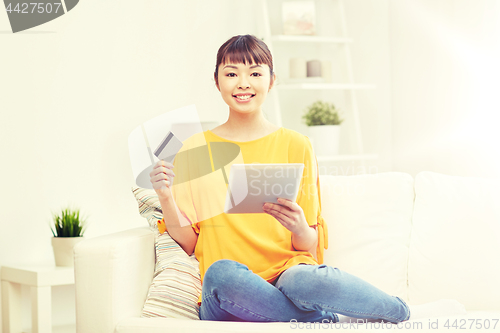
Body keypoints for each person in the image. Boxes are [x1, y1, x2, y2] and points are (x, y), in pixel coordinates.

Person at [149, 34, 466, 323]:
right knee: (221, 273)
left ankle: (403, 312)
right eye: (231, 73)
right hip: (233, 292)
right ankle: (322, 321)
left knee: (306, 279)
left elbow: (309, 243)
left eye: (255, 73)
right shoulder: (196, 147)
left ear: (272, 81)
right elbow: (190, 243)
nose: (242, 83)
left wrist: (299, 225)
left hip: (288, 276)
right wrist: (165, 196)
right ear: (216, 82)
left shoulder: (295, 144)